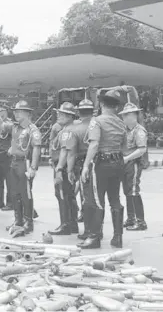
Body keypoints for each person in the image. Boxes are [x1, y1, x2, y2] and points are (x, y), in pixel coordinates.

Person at [80, 89, 127, 249]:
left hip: (102, 163)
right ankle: (118, 237)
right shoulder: (121, 122)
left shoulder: (97, 121)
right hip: (118, 162)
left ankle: (94, 237)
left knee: (97, 200)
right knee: (115, 199)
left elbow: (94, 144)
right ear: (116, 107)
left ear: (101, 104)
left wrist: (86, 165)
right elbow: (124, 146)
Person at [0, 100, 41, 236]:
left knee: (26, 194)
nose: (16, 114)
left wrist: (33, 167)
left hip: (24, 163)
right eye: (15, 112)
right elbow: (0, 125)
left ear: (28, 113)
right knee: (14, 193)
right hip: (13, 162)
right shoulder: (14, 127)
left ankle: (28, 221)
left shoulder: (32, 129)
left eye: (19, 112)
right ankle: (18, 220)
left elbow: (36, 148)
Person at [61, 98, 95, 243]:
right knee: (99, 199)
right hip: (101, 163)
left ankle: (89, 231)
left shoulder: (75, 128)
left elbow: (71, 153)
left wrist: (69, 171)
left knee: (86, 199)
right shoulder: (99, 125)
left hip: (84, 165)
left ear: (79, 112)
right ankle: (97, 230)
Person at [48, 102, 78, 236]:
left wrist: (59, 169)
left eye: (63, 114)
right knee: (69, 195)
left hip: (63, 165)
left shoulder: (67, 131)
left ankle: (65, 224)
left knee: (62, 195)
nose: (59, 116)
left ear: (70, 116)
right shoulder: (67, 128)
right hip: (64, 164)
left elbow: (65, 151)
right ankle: (72, 224)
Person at [119, 102, 148, 231]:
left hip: (133, 163)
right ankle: (131, 218)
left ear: (133, 115)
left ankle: (141, 222)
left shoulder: (139, 130)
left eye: (126, 115)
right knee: (127, 191)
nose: (123, 118)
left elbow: (141, 149)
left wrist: (126, 158)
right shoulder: (125, 130)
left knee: (134, 190)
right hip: (125, 163)